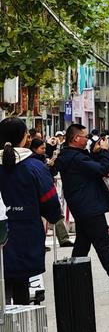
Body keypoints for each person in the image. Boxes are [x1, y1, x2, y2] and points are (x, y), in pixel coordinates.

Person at [54, 124, 109, 292]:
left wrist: (94, 152)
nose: (88, 140)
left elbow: (90, 166)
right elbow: (103, 169)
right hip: (89, 207)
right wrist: (105, 151)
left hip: (82, 206)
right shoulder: (76, 158)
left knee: (82, 244)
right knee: (102, 244)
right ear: (76, 138)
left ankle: (72, 280)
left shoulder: (70, 155)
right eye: (85, 137)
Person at [0, 117, 62, 305]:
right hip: (26, 236)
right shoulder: (34, 167)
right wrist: (53, 216)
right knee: (21, 289)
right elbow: (51, 203)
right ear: (24, 137)